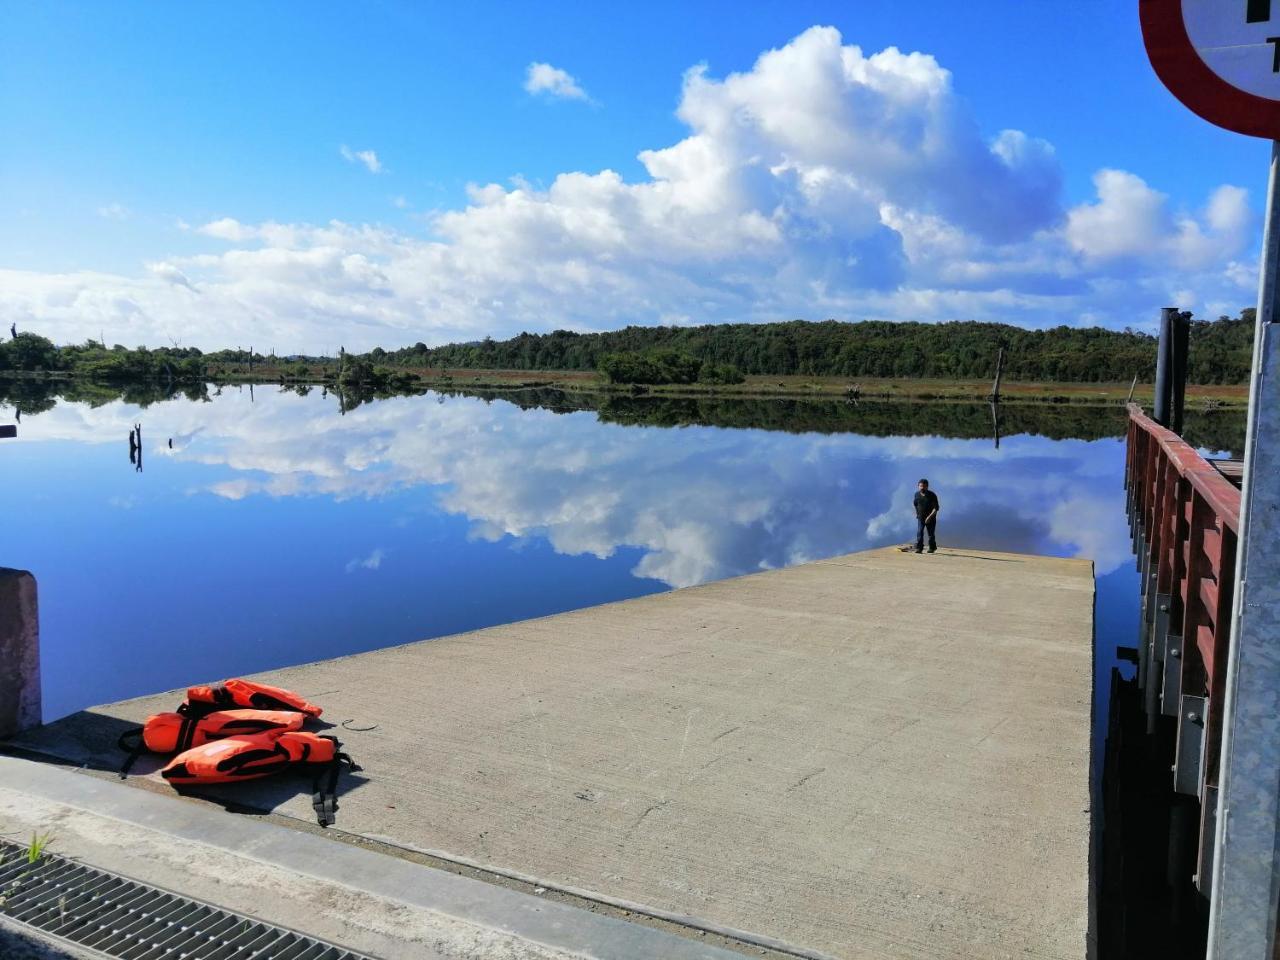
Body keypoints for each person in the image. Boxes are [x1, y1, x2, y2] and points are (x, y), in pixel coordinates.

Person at [913, 478, 940, 554]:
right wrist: (917, 514)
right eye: (921, 486)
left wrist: (929, 517)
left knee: (931, 534)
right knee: (919, 533)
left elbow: (936, 508)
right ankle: (919, 548)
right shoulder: (916, 494)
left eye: (924, 486)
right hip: (920, 518)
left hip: (931, 518)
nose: (922, 488)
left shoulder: (932, 495)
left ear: (927, 487)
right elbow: (915, 504)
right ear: (918, 486)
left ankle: (932, 548)